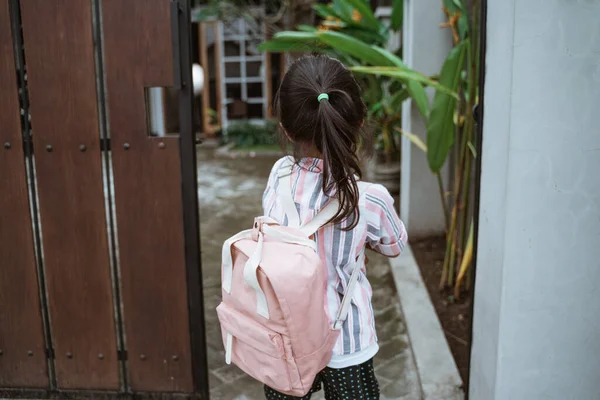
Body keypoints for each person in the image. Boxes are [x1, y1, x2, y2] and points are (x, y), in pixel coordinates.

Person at [261, 55, 408, 400]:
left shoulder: (279, 175)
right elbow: (395, 245)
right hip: (348, 338)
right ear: (358, 122)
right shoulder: (370, 199)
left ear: (286, 127)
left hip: (288, 337)